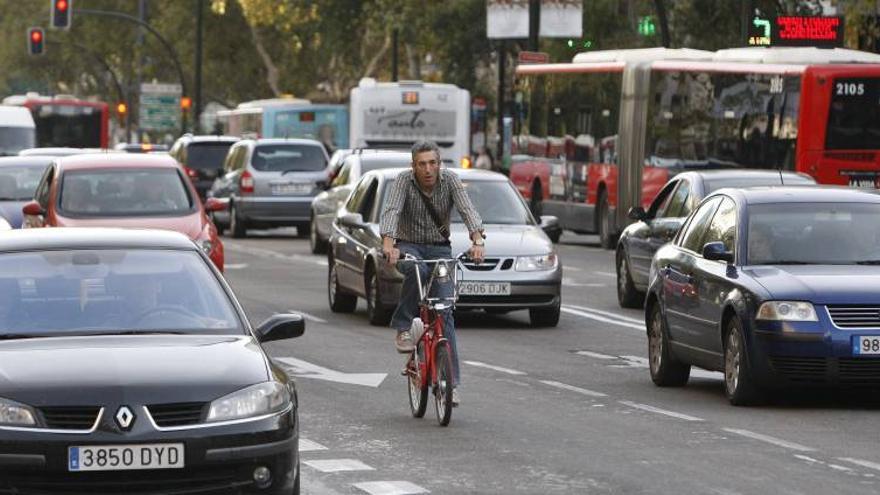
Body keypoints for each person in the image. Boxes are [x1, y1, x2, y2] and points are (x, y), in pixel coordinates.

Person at [380, 140, 485, 406]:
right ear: (413, 166)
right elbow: (391, 212)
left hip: (440, 248)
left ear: (440, 164)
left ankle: (452, 384)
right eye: (421, 164)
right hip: (408, 246)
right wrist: (389, 246)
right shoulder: (404, 181)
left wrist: (477, 241)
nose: (428, 169)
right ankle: (403, 325)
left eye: (432, 163)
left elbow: (467, 209)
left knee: (445, 311)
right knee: (418, 267)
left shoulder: (449, 180)